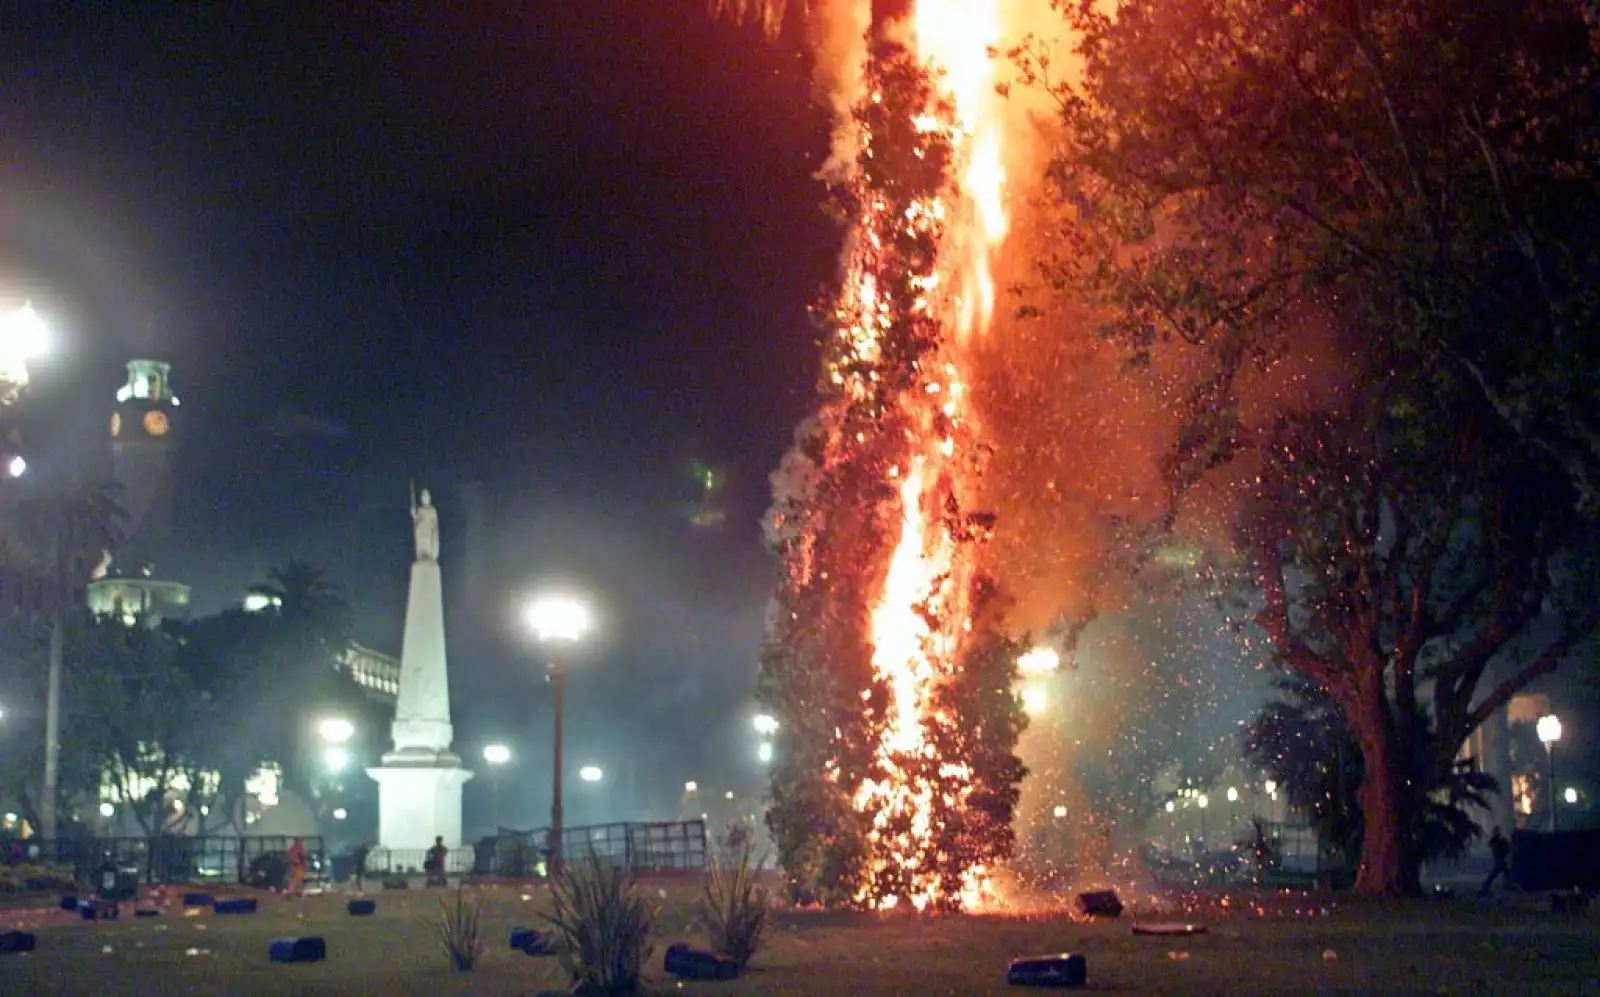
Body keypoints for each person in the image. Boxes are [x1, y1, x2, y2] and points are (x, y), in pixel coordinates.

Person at [1480, 827, 1511, 897]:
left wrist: (1505, 848)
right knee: (1497, 871)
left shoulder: (1500, 840)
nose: (1498, 833)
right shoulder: (1494, 840)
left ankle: (1507, 884)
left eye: (1498, 831)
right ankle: (1487, 883)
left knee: (1505, 871)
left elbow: (1507, 846)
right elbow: (1494, 847)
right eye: (1497, 831)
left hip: (1501, 859)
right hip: (1498, 858)